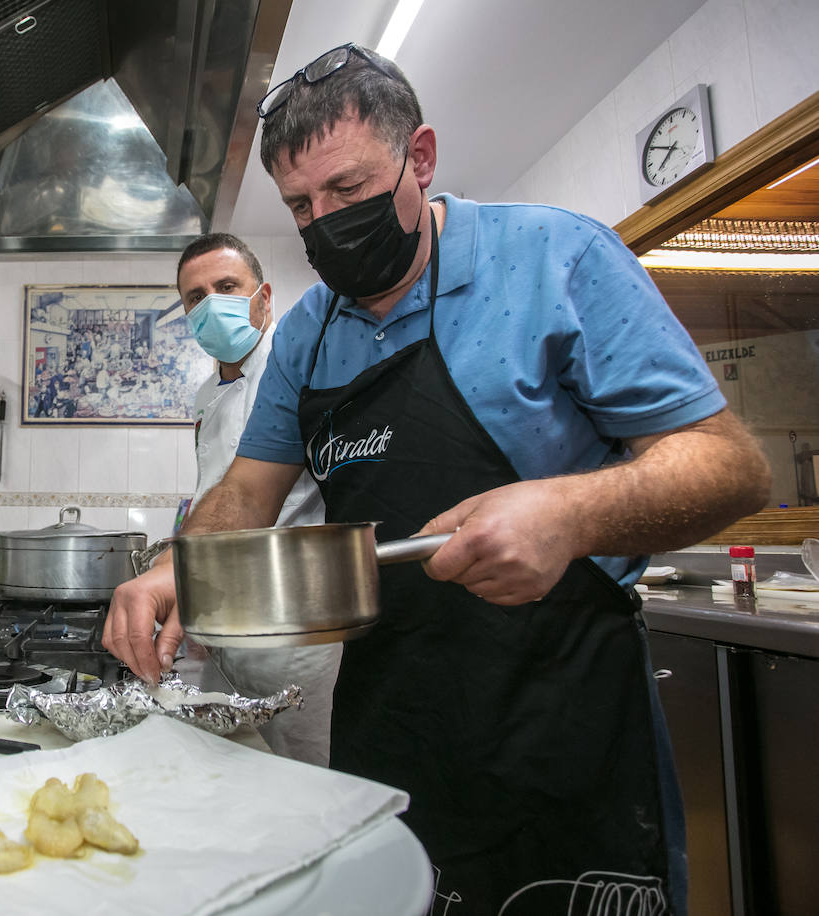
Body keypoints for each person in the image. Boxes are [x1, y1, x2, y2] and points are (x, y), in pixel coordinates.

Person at [103, 44, 770, 913]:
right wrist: (175, 568)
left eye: (347, 191)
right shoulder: (309, 332)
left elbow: (730, 465)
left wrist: (569, 511)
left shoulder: (553, 260)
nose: (325, 221)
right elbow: (245, 494)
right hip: (391, 711)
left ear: (419, 157)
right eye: (301, 206)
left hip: (558, 710)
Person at [177, 232, 340, 767]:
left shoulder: (300, 370)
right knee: (226, 769)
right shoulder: (206, 395)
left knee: (306, 779)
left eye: (227, 287)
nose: (211, 305)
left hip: (295, 631)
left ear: (264, 297)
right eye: (196, 297)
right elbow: (215, 489)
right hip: (225, 627)